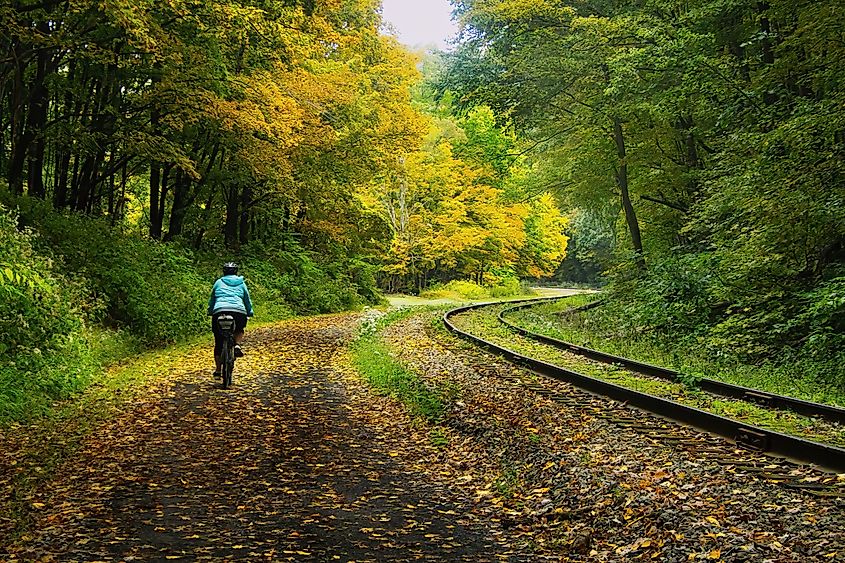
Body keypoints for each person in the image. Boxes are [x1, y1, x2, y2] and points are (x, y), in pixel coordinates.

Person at [208, 262, 254, 377]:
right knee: (239, 329)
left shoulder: (218, 282)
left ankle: (218, 370)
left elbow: (212, 299)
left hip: (220, 310)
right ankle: (237, 345)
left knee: (218, 340)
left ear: (224, 271)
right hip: (239, 311)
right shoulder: (242, 283)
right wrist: (250, 311)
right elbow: (246, 299)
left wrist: (210, 311)